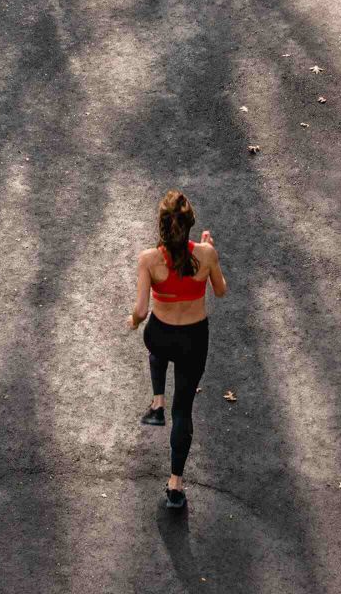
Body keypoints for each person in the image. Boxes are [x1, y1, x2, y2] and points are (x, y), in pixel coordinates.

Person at [127, 190, 228, 509]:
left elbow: (142, 311)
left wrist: (131, 320)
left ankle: (157, 403)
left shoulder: (148, 260)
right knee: (183, 411)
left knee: (156, 347)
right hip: (193, 340)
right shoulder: (206, 254)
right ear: (189, 225)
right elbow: (221, 291)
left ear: (161, 226)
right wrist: (210, 251)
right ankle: (175, 486)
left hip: (161, 335)